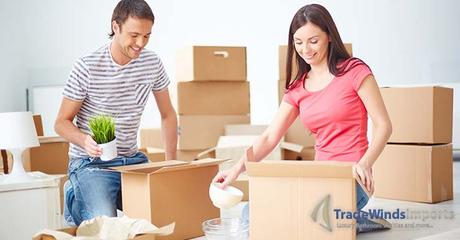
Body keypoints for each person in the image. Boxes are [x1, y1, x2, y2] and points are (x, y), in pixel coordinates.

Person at [212, 3, 392, 233]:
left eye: (313, 41)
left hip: (352, 178)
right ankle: (350, 221)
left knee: (310, 219)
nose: (305, 49)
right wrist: (236, 170)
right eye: (298, 42)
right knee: (252, 210)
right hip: (317, 177)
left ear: (329, 36)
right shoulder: (298, 87)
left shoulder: (355, 71)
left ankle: (351, 220)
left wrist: (365, 163)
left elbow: (384, 125)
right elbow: (269, 137)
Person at [54, 0, 177, 226]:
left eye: (147, 36)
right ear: (116, 27)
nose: (141, 43)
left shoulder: (152, 63)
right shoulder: (87, 66)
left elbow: (168, 114)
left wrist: (170, 164)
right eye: (134, 35)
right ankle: (76, 189)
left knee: (163, 213)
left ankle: (79, 192)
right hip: (91, 164)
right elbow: (61, 122)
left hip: (133, 160)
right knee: (106, 227)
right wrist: (84, 140)